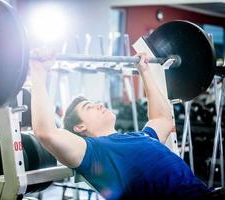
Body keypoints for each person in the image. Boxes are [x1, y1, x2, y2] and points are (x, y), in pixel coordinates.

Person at [30, 50, 212, 200]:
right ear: (79, 128)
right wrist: (39, 72)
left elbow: (164, 118)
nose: (99, 104)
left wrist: (144, 71)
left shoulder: (141, 136)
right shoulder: (93, 153)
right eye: (89, 107)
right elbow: (46, 132)